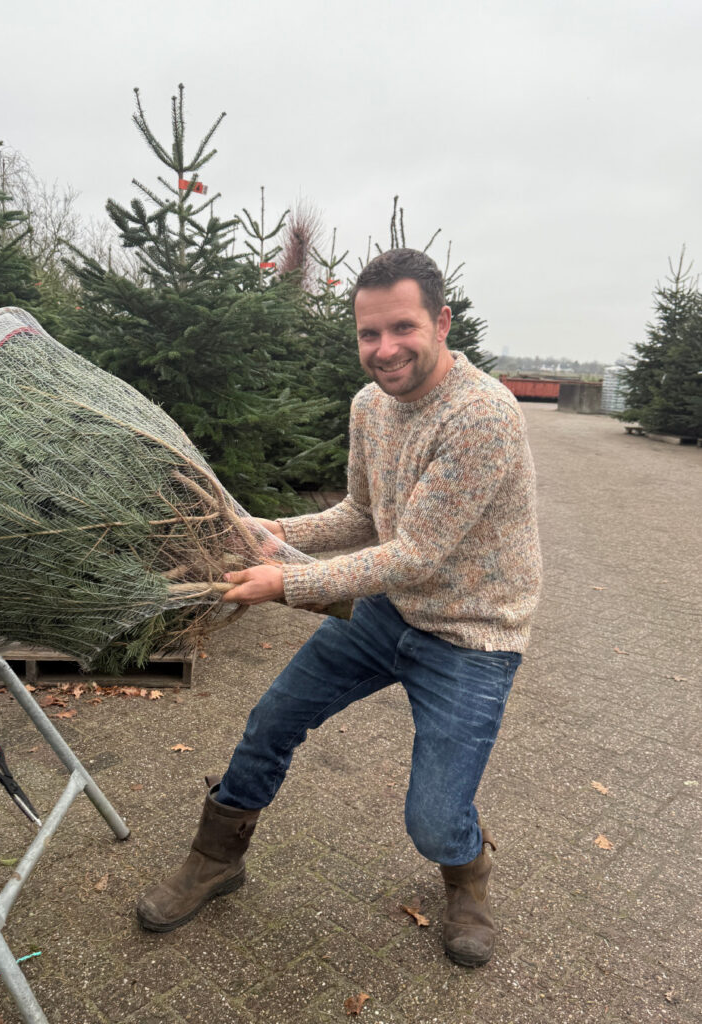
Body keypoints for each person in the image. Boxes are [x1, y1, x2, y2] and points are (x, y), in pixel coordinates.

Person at [136, 247, 542, 967]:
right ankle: (215, 860)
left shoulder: (483, 417)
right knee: (272, 719)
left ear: (441, 322)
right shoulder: (368, 405)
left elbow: (415, 553)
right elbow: (361, 513)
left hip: (471, 638)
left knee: (432, 820)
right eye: (367, 334)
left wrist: (287, 583)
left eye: (401, 328)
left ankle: (466, 871)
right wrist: (275, 532)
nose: (383, 350)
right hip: (389, 613)